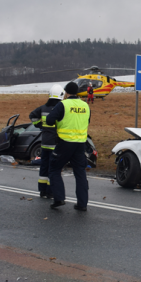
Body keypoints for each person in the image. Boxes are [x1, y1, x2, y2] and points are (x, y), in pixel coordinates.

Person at [46, 81, 91, 211]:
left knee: (54, 169)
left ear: (66, 92)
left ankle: (59, 198)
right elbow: (87, 121)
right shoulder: (85, 105)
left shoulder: (63, 104)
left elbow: (49, 120)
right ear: (77, 92)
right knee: (80, 173)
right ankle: (82, 204)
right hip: (80, 144)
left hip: (65, 143)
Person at [29, 84, 65, 198]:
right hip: (55, 144)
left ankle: (42, 190)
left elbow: (32, 116)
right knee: (53, 168)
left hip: (44, 143)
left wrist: (40, 125)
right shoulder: (60, 108)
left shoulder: (43, 108)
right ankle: (50, 191)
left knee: (44, 166)